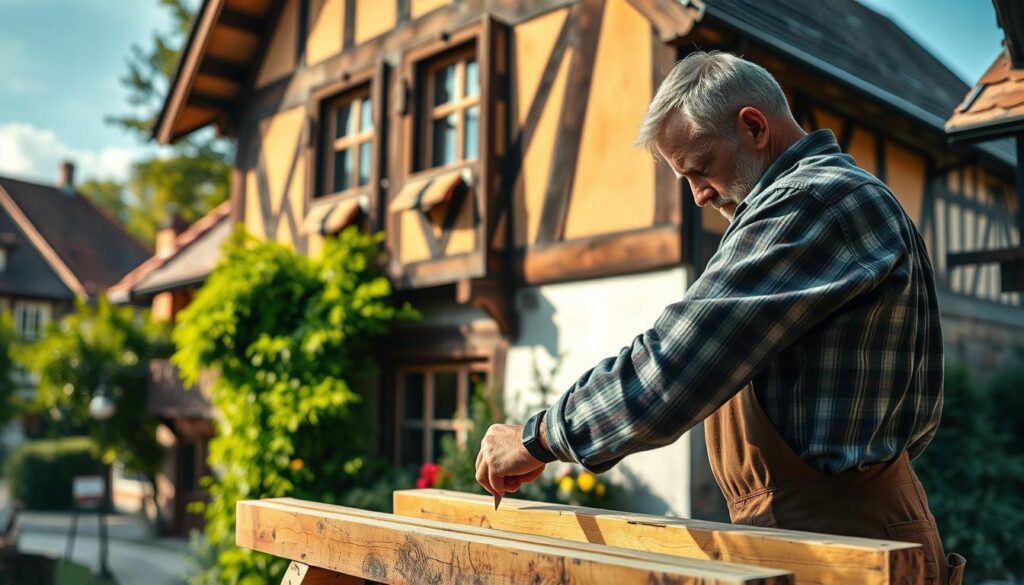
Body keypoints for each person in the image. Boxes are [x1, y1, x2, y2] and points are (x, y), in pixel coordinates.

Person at [474, 51, 964, 584]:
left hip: (844, 545)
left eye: (701, 168)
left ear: (753, 127)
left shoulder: (812, 202)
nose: (699, 194)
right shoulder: (827, 200)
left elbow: (672, 367)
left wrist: (537, 437)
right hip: (823, 533)